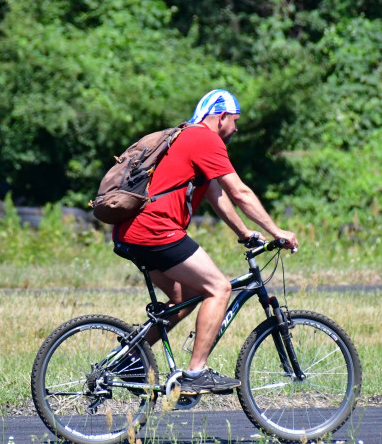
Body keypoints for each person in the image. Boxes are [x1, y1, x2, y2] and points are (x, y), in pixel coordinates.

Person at [113, 89, 298, 395]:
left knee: (183, 298)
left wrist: (245, 233)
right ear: (221, 116)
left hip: (131, 230)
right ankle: (195, 373)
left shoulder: (187, 137)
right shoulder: (205, 139)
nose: (236, 129)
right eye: (235, 121)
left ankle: (129, 358)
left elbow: (218, 197)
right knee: (219, 287)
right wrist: (277, 231)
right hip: (156, 229)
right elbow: (240, 193)